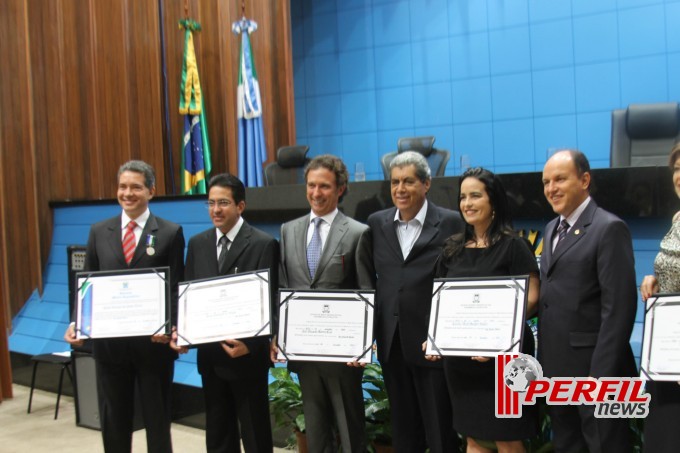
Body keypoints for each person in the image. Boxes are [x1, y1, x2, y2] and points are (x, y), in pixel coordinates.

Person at [64, 160, 185, 453]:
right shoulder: (98, 231)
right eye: (122, 186)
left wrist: (171, 326)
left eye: (136, 187)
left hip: (153, 348)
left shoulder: (170, 232)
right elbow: (87, 284)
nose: (127, 193)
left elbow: (176, 288)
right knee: (114, 422)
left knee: (158, 423)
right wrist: (78, 322)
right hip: (110, 348)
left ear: (151, 191)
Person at [426, 167, 539, 453]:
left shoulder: (515, 246)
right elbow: (440, 301)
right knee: (472, 435)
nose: (467, 203)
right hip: (462, 363)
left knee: (508, 437)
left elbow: (533, 299)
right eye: (463, 197)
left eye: (476, 196)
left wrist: (496, 341)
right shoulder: (452, 248)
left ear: (494, 202)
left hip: (506, 361)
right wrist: (435, 336)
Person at [272, 154, 374, 453]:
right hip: (305, 352)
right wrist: (280, 336)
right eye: (312, 185)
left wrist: (363, 345)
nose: (316, 193)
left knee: (350, 430)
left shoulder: (358, 232)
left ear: (340, 189)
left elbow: (367, 290)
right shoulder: (288, 230)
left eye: (325, 186)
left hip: (343, 356)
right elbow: (283, 287)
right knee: (315, 433)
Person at [539, 150, 637, 453]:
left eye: (560, 179)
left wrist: (600, 378)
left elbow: (618, 309)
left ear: (584, 180)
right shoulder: (550, 229)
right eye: (545, 182)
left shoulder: (609, 228)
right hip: (557, 372)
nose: (551, 188)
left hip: (597, 374)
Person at [367, 151, 464, 453]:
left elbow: (457, 283)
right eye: (395, 182)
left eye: (409, 181)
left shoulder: (451, 222)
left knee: (439, 430)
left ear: (426, 184)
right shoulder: (376, 223)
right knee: (403, 429)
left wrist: (441, 335)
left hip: (430, 343)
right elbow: (371, 280)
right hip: (392, 341)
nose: (400, 189)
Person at [175, 173, 278, 453]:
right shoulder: (198, 244)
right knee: (219, 436)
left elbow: (270, 303)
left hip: (247, 358)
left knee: (256, 436)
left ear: (240, 206)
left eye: (223, 203)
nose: (215, 210)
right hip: (211, 358)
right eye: (210, 203)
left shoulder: (262, 243)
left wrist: (253, 344)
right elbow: (189, 296)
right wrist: (183, 332)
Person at [639, 143, 680, 453]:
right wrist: (657, 278)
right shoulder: (678, 217)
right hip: (668, 355)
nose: (679, 176)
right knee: (663, 439)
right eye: (677, 169)